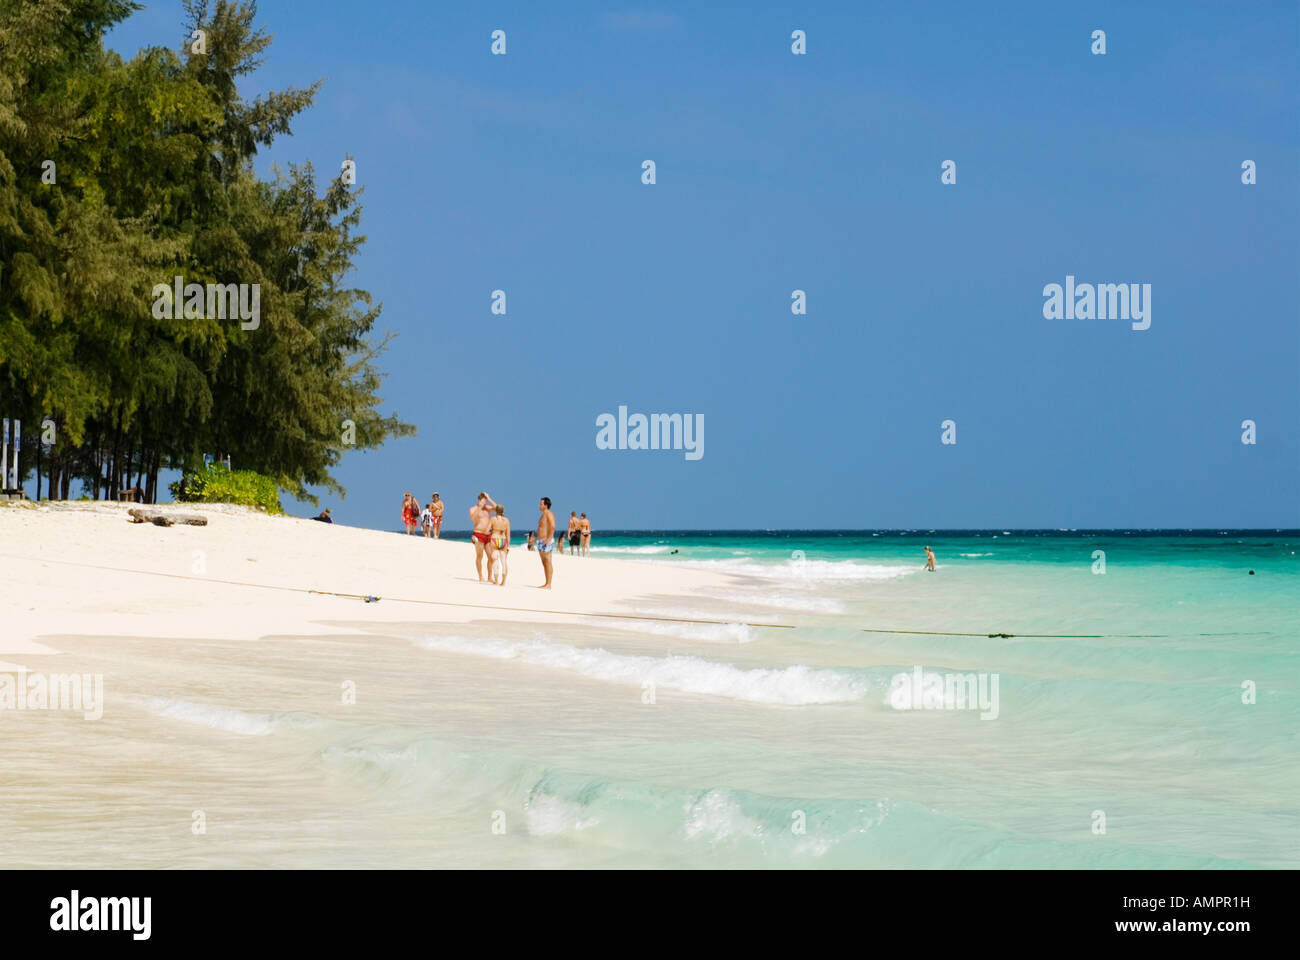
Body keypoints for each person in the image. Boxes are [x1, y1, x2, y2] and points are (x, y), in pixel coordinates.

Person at [469, 492, 497, 581]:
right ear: (479, 500)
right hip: (478, 534)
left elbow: (497, 509)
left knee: (491, 557)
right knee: (479, 556)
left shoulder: (487, 509)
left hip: (488, 535)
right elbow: (473, 518)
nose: (485, 503)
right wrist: (480, 507)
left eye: (486, 501)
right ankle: (480, 575)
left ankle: (489, 576)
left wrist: (489, 499)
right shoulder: (473, 509)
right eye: (484, 501)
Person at [487, 503, 511, 586]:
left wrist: (491, 531)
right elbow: (508, 535)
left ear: (495, 511)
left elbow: (487, 530)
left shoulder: (493, 519)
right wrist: (508, 545)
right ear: (503, 511)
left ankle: (496, 580)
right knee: (504, 561)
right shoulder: (507, 520)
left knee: (495, 560)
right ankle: (503, 581)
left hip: (494, 539)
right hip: (503, 540)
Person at [536, 496, 556, 588]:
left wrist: (548, 538)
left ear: (546, 505)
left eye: (541, 504)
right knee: (544, 562)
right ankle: (547, 583)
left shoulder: (548, 513)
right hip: (541, 541)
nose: (539, 505)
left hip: (546, 540)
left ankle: (549, 584)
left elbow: (552, 526)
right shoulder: (543, 514)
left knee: (547, 561)